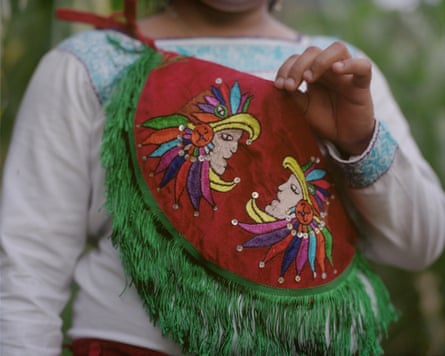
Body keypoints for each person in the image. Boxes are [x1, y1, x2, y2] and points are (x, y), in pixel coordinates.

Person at [1, 0, 444, 355]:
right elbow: (28, 262)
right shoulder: (91, 63)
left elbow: (419, 243)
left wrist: (360, 140)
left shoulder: (340, 69)